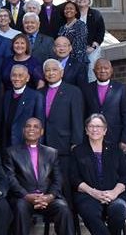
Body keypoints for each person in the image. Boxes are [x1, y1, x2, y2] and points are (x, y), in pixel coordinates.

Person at [2, 117, 75, 235]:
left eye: (36, 127)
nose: (31, 129)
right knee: (20, 207)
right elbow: (10, 178)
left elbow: (58, 179)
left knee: (63, 208)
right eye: (28, 126)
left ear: (41, 132)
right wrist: (26, 196)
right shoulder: (11, 152)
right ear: (23, 130)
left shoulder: (52, 152)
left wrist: (50, 196)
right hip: (24, 198)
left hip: (47, 198)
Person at [69, 114, 126, 235]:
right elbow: (74, 178)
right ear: (86, 130)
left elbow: (125, 175)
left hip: (115, 194)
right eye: (91, 126)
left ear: (105, 130)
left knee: (118, 210)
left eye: (98, 126)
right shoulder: (78, 151)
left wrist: (114, 193)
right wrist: (94, 192)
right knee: (90, 213)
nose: (95, 129)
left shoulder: (116, 150)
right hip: (87, 195)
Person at [41, 58, 84, 188]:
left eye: (54, 70)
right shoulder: (40, 93)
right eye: (47, 70)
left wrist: (76, 142)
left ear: (62, 72)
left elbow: (77, 118)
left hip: (64, 145)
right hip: (44, 145)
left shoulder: (73, 91)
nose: (51, 73)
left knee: (64, 182)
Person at [85, 58, 126, 150]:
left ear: (111, 70)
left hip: (115, 137)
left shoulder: (120, 88)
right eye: (99, 68)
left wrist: (125, 139)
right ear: (94, 71)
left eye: (106, 68)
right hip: (92, 137)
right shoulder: (87, 89)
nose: (103, 71)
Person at [2, 65, 46, 148]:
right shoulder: (6, 95)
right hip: (7, 146)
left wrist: (37, 148)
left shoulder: (36, 96)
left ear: (27, 78)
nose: (17, 78)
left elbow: (40, 124)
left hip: (26, 146)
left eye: (20, 75)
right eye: (14, 75)